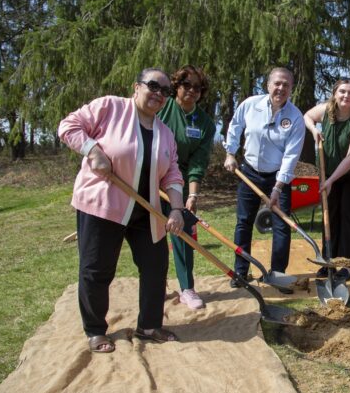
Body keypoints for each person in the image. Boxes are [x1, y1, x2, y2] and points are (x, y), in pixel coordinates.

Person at [58, 68, 186, 353]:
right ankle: (95, 329)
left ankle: (149, 325)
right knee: (97, 269)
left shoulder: (165, 134)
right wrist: (93, 150)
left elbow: (173, 175)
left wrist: (176, 209)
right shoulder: (109, 107)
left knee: (155, 266)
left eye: (165, 91)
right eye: (153, 86)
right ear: (136, 87)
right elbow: (68, 126)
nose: (159, 94)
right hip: (103, 206)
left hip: (145, 210)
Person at [223, 67, 305, 291]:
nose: (281, 88)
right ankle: (241, 271)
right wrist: (230, 153)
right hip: (248, 172)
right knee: (244, 222)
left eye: (286, 84)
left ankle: (277, 274)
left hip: (278, 178)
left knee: (281, 226)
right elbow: (235, 126)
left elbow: (291, 155)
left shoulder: (295, 117)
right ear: (268, 85)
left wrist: (278, 188)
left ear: (291, 88)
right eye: (277, 83)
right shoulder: (250, 105)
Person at [303, 78, 350, 280]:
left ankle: (347, 266)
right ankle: (329, 262)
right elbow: (307, 116)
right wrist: (314, 130)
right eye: (342, 91)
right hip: (330, 171)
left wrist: (331, 180)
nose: (346, 96)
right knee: (331, 214)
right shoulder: (326, 110)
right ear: (335, 93)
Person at [158, 65, 216, 310]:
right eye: (186, 85)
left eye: (197, 87)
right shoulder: (162, 106)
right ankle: (155, 285)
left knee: (182, 234)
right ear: (176, 87)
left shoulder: (204, 124)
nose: (192, 91)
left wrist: (191, 194)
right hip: (151, 178)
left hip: (179, 182)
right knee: (151, 235)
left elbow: (197, 162)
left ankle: (187, 288)